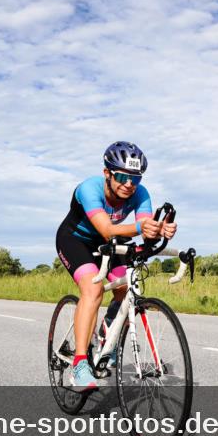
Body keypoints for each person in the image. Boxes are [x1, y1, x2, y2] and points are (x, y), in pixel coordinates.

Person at [55, 142, 176, 390]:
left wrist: (160, 229)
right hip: (74, 240)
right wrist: (144, 227)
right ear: (107, 173)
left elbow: (145, 229)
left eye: (135, 178)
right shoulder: (89, 189)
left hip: (108, 243)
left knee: (127, 287)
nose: (129, 184)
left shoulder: (140, 194)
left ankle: (106, 330)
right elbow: (107, 229)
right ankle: (79, 365)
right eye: (122, 176)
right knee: (93, 289)